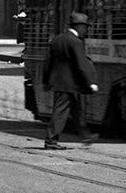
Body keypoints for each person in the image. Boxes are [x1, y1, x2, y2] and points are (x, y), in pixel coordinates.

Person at [42, 11, 99, 149]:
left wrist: (46, 80)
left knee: (76, 111)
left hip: (59, 83)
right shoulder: (76, 42)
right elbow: (82, 64)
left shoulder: (57, 39)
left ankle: (86, 136)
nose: (86, 30)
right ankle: (51, 141)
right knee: (60, 113)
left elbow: (48, 62)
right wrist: (90, 82)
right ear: (79, 26)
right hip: (68, 84)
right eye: (85, 27)